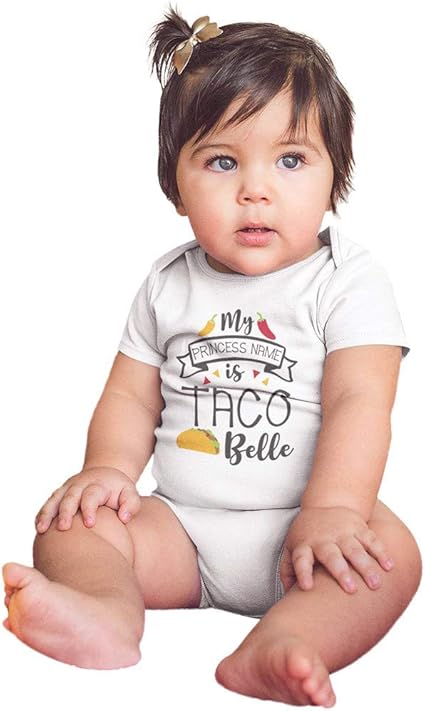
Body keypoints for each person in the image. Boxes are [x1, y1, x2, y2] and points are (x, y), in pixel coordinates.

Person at [2, 5, 422, 707]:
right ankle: (105, 611)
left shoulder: (347, 280)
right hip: (183, 534)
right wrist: (107, 472)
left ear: (335, 177)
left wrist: (333, 508)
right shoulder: (168, 282)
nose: (255, 189)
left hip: (305, 531)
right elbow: (130, 396)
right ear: (175, 185)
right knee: (73, 524)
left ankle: (285, 643)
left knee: (392, 554)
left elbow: (361, 400)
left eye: (290, 160)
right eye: (222, 161)